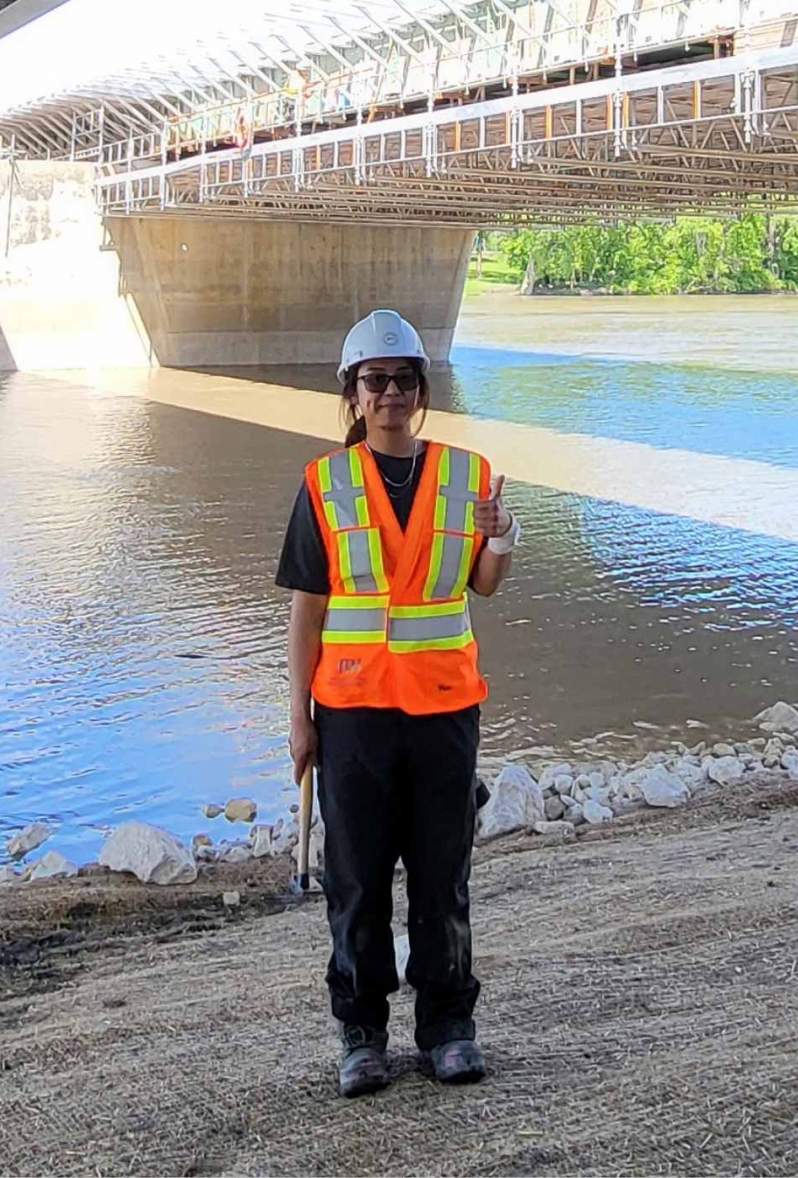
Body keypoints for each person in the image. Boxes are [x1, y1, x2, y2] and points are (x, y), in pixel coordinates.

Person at [275, 309, 520, 1099]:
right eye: (374, 381)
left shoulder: (469, 475)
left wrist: (502, 536)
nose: (389, 394)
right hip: (352, 713)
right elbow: (307, 610)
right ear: (352, 393)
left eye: (403, 381)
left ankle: (449, 1026)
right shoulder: (324, 484)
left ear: (420, 391)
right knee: (357, 877)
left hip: (445, 710)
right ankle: (363, 1031)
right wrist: (297, 718)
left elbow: (482, 585)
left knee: (442, 873)